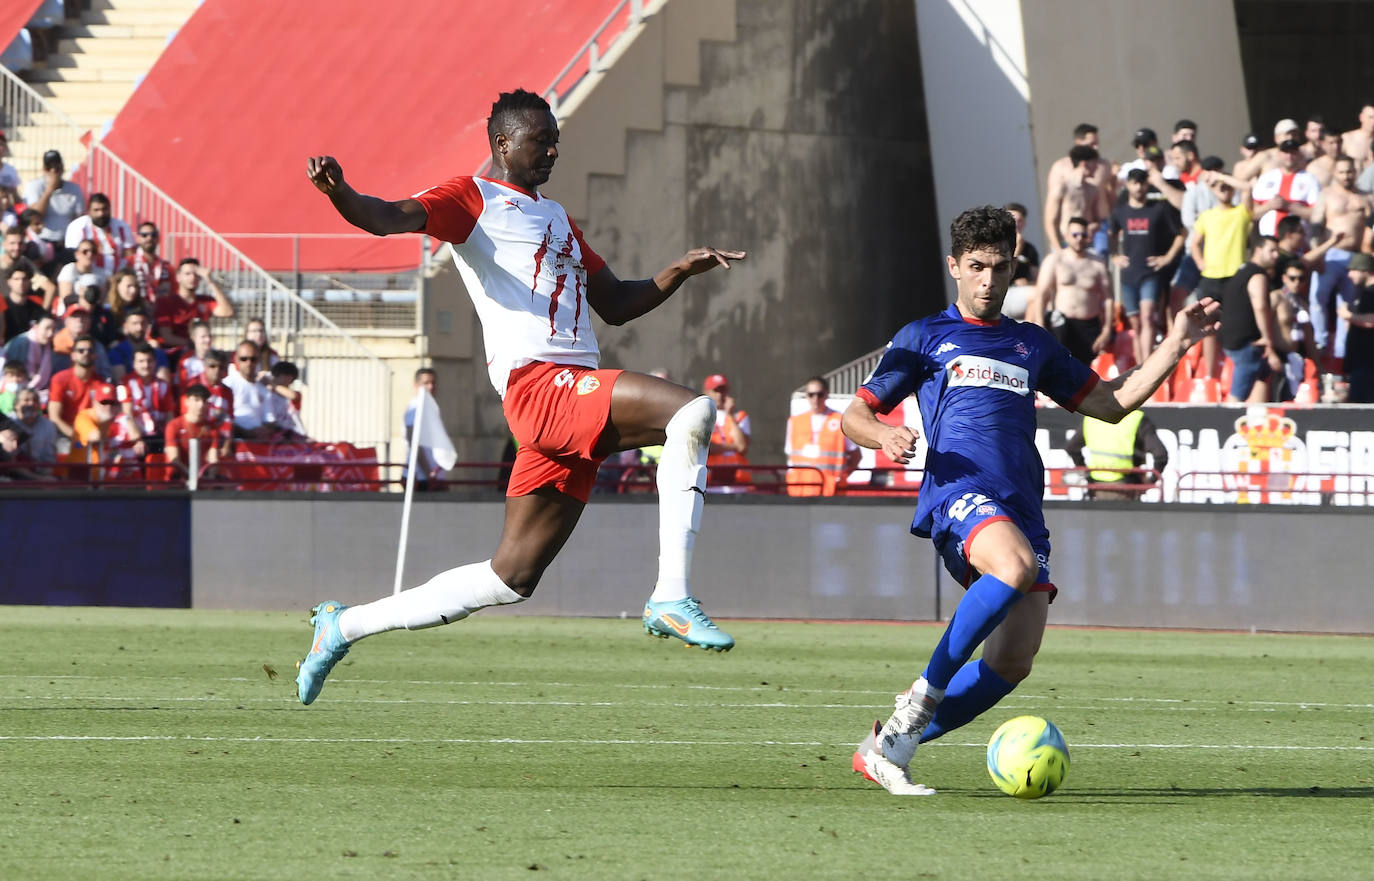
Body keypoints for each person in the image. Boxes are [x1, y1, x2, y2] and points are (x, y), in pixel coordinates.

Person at [293, 88, 746, 704]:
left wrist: (678, 271)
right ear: (503, 144)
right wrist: (340, 193)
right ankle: (670, 594)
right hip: (540, 386)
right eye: (541, 139)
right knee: (691, 411)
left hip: (566, 395)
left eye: (556, 139)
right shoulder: (469, 198)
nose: (553, 149)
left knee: (509, 578)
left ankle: (341, 627)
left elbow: (615, 303)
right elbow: (388, 216)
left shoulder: (556, 219)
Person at [843, 205, 1220, 795]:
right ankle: (919, 699)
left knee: (1012, 662)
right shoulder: (923, 338)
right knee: (1013, 568)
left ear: (1013, 267)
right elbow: (854, 413)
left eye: (999, 267)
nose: (988, 281)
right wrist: (885, 433)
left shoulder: (1031, 345)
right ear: (954, 267)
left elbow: (1114, 403)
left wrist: (1175, 343)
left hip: (1021, 508)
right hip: (960, 492)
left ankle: (887, 747)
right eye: (976, 267)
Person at [1109, 168, 1184, 365]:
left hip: (1150, 272)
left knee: (1148, 317)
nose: (1139, 187)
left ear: (1147, 185)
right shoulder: (1120, 211)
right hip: (1129, 274)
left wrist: (1167, 258)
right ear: (1127, 185)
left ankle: (1148, 365)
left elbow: (1180, 234)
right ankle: (1140, 367)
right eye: (1134, 183)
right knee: (1135, 323)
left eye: (1142, 183)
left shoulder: (1158, 208)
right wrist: (1115, 255)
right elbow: (1111, 234)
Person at [1309, 156, 1373, 364]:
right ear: (1335, 173)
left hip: (1356, 257)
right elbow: (1315, 226)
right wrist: (1316, 253)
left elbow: (1369, 228)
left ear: (1355, 172)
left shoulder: (1365, 197)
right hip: (1331, 254)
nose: (1347, 176)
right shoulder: (1327, 195)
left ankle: (1341, 354)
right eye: (1342, 172)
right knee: (1318, 299)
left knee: (1349, 305)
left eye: (1350, 172)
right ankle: (1319, 342)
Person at [1028, 216, 1112, 364]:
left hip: (1089, 325)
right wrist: (1040, 324)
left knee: (1086, 374)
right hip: (1062, 324)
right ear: (1067, 236)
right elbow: (1042, 294)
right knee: (1058, 367)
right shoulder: (1055, 260)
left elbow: (1108, 298)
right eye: (1075, 235)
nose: (1079, 238)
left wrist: (1106, 330)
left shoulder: (1097, 263)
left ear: (1088, 237)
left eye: (1083, 235)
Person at [1220, 236, 1283, 403]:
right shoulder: (1257, 275)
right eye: (1272, 250)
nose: (1276, 255)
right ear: (1258, 250)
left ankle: (1258, 423)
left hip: (1233, 340)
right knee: (1236, 398)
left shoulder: (1242, 271)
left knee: (1262, 378)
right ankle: (1225, 425)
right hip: (1247, 344)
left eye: (1278, 251)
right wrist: (1267, 340)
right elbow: (1260, 307)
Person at [1065, 411, 1168, 500]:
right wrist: (1151, 481)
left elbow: (1071, 448)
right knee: (1127, 522)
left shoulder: (1091, 418)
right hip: (1127, 489)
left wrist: (1086, 472)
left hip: (1097, 488)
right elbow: (1160, 455)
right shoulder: (1136, 418)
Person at [784, 375, 859, 497]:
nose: (815, 399)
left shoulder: (840, 420)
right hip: (800, 489)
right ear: (806, 395)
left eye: (820, 394)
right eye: (811, 394)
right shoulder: (794, 421)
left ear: (826, 394)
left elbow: (856, 456)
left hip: (830, 490)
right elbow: (791, 456)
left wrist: (840, 477)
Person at [153, 258, 235, 352]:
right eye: (187, 274)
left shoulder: (205, 301)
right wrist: (192, 344)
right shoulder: (165, 302)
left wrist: (210, 281)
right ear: (178, 277)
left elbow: (228, 311)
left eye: (196, 274)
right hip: (175, 353)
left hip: (200, 351)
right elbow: (167, 337)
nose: (192, 278)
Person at [1043, 145, 1110, 253]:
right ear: (1084, 164)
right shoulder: (1061, 188)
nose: (1097, 168)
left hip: (1085, 243)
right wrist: (1057, 247)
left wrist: (1094, 226)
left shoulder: (1092, 190)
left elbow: (1098, 219)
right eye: (1095, 164)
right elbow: (1050, 221)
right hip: (1064, 243)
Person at [20, 150, 84, 261]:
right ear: (44, 170)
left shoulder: (74, 188)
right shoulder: (34, 186)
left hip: (66, 243)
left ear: (62, 168)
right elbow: (34, 216)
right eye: (49, 168)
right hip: (41, 242)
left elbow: (79, 218)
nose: (53, 171)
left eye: (57, 167)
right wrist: (50, 189)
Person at [1252, 137, 1321, 238]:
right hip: (1269, 242)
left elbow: (1316, 215)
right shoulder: (1266, 178)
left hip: (1298, 243)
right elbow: (1251, 213)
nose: (1289, 156)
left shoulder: (1309, 179)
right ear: (1279, 154)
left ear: (1298, 154)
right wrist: (1269, 206)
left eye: (1293, 152)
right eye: (1286, 152)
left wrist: (1289, 206)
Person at [47, 333, 104, 441]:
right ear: (72, 355)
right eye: (81, 350)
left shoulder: (100, 383)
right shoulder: (60, 379)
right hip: (64, 435)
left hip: (91, 435)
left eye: (90, 350)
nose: (86, 353)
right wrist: (77, 437)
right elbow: (54, 417)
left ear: (95, 355)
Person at [701, 372, 751, 492]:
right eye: (716, 391)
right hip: (710, 482)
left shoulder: (739, 416)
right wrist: (733, 447)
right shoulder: (701, 417)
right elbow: (706, 448)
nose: (720, 395)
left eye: (723, 390)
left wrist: (730, 415)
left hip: (736, 482)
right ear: (707, 392)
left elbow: (742, 447)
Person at [118, 344, 175, 447]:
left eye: (149, 361)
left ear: (155, 362)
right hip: (135, 436)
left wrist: (169, 441)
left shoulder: (164, 385)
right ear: (134, 364)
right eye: (141, 361)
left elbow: (169, 415)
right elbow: (126, 413)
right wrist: (137, 439)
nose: (146, 365)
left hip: (159, 435)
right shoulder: (124, 383)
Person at [165, 383, 229, 474]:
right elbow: (174, 460)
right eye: (196, 400)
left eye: (204, 401)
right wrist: (193, 478)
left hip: (203, 479)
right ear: (187, 402)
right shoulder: (173, 425)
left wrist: (209, 479)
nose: (201, 405)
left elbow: (213, 459)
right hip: (177, 479)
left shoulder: (212, 428)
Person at [63, 193, 134, 274]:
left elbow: (130, 253)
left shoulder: (122, 226)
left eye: (104, 209)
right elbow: (73, 255)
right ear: (89, 211)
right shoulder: (77, 226)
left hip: (117, 275)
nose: (101, 214)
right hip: (88, 275)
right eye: (96, 210)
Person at [1337, 252, 1374, 402]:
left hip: (1368, 365)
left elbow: (1372, 320)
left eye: (1353, 270)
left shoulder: (1372, 292)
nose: (1349, 275)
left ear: (1365, 270)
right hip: (1360, 363)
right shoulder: (1363, 292)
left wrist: (1349, 316)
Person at [221, 339, 274, 439]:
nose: (249, 363)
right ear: (236, 359)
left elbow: (270, 420)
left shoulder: (264, 389)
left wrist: (264, 431)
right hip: (234, 441)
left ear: (258, 360)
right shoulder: (228, 385)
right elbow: (222, 418)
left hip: (258, 442)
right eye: (244, 358)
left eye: (253, 359)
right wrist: (246, 433)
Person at [403, 367, 446, 490]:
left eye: (433, 383)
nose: (431, 387)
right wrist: (429, 473)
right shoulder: (415, 408)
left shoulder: (431, 407)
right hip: (420, 476)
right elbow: (413, 441)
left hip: (433, 475)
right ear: (416, 386)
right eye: (426, 383)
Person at [3, 312, 55, 394]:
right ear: (35, 327)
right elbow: (10, 373)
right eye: (47, 328)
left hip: (38, 392)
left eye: (53, 329)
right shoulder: (20, 343)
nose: (50, 333)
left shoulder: (49, 347)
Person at [1003, 202, 1039, 319]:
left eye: (1019, 220)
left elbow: (1038, 280)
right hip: (1003, 293)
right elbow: (1003, 271)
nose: (1016, 224)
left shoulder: (1030, 249)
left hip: (1023, 294)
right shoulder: (998, 245)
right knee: (1035, 295)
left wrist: (1027, 283)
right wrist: (1017, 246)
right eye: (1012, 220)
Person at [129, 221, 174, 305]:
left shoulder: (167, 267)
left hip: (161, 312)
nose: (149, 238)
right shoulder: (128, 263)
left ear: (158, 239)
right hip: (137, 311)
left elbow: (174, 292)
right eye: (144, 235)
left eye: (153, 235)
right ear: (138, 238)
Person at [12, 387, 57, 466]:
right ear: (16, 405)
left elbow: (49, 456)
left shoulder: (48, 425)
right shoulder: (9, 423)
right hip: (12, 472)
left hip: (41, 472)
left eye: (35, 400)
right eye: (26, 400)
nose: (31, 403)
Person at [2, 265, 48, 343]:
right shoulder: (3, 307)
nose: (21, 283)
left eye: (25, 279)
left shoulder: (37, 308)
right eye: (16, 279)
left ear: (30, 281)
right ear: (9, 282)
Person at [1339, 104, 1374, 171]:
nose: (1373, 121)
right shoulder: (1347, 138)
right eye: (1370, 117)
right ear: (1361, 117)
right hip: (1354, 179)